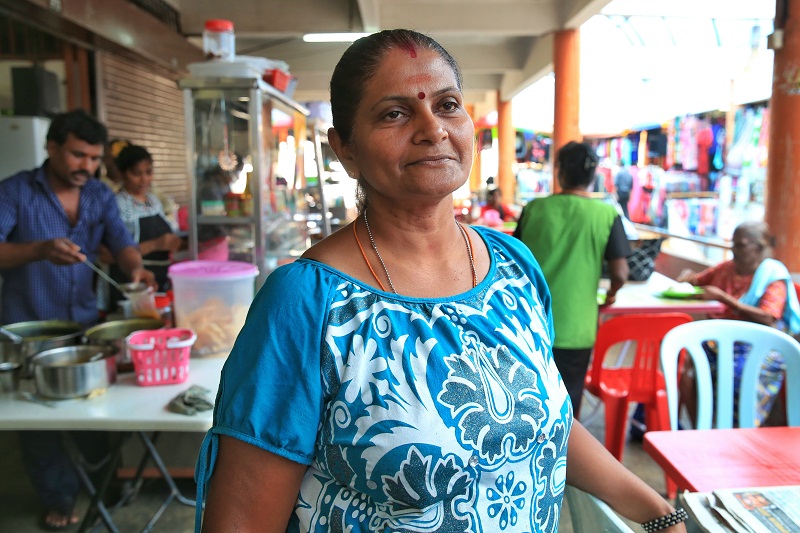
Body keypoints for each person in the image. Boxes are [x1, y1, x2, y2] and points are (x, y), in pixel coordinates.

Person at [195, 30, 685, 533]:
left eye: (448, 104)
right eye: (394, 112)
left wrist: (657, 511)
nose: (432, 128)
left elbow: (545, 423)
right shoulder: (306, 303)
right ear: (345, 150)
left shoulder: (513, 265)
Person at [0, 109, 156, 530]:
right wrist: (38, 249)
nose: (85, 166)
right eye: (76, 155)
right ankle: (59, 495)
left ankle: (104, 480)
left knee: (94, 409)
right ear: (51, 147)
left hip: (86, 324)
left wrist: (135, 268)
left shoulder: (99, 195)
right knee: (39, 421)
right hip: (32, 328)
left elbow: (120, 242)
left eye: (93, 158)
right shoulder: (15, 192)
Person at [514, 141, 631, 415]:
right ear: (593, 176)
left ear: (560, 173)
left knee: (530, 402)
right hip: (577, 327)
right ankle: (566, 458)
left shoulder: (534, 209)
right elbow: (620, 274)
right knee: (568, 407)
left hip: (530, 323)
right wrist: (610, 295)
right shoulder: (606, 214)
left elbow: (514, 261)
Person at [676, 221, 800, 426]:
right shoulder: (727, 268)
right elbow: (696, 281)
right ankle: (701, 428)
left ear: (759, 248)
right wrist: (687, 279)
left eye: (740, 245)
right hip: (722, 340)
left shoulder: (771, 274)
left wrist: (725, 299)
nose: (734, 249)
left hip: (760, 343)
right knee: (685, 366)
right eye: (733, 244)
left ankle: (739, 429)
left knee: (738, 375)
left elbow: (768, 317)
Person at [109, 144, 182, 307]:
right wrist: (156, 244)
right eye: (136, 173)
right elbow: (108, 254)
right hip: (131, 282)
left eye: (148, 172)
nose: (144, 179)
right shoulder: (117, 204)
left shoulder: (153, 200)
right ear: (122, 173)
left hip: (159, 280)